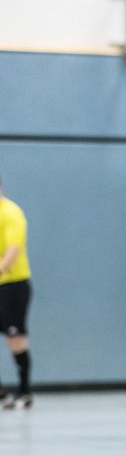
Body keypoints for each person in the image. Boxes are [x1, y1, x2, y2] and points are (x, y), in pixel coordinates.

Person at [0, 176, 34, 410]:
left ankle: (24, 391)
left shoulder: (11, 212)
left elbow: (13, 250)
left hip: (12, 285)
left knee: (15, 339)